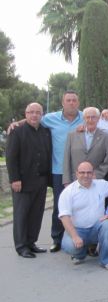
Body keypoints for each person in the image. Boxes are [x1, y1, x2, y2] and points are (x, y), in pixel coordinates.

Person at [9, 90, 83, 252]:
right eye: (68, 100)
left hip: (81, 171)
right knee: (58, 206)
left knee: (80, 205)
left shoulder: (86, 117)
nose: (71, 103)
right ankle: (56, 239)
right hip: (58, 171)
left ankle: (78, 237)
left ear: (78, 102)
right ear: (62, 103)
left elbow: (103, 118)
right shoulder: (50, 119)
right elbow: (33, 119)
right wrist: (17, 123)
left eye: (74, 100)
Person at [6, 103, 52, 258]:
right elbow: (11, 158)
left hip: (41, 180)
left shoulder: (45, 131)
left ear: (42, 114)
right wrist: (15, 179)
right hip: (22, 182)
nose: (34, 115)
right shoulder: (17, 131)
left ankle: (31, 242)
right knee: (21, 214)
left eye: (37, 112)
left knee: (36, 214)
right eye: (31, 112)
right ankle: (21, 246)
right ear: (25, 114)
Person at [58, 162, 108, 270]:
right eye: (82, 172)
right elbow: (64, 217)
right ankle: (80, 254)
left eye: (89, 172)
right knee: (70, 246)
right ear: (77, 174)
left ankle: (105, 260)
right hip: (78, 231)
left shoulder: (101, 185)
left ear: (93, 174)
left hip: (96, 228)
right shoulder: (68, 192)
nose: (86, 175)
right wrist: (75, 237)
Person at [63, 107, 108, 185]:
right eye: (87, 117)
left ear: (98, 118)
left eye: (93, 117)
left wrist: (96, 175)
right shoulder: (72, 136)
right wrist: (66, 181)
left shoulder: (106, 137)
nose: (90, 120)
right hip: (75, 181)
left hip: (96, 181)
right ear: (84, 119)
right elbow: (67, 159)